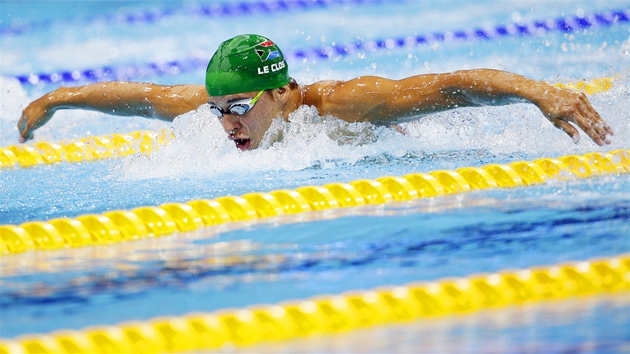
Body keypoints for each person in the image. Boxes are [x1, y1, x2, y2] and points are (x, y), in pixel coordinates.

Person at [18, 34, 613, 151]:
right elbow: (140, 96)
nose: (226, 122)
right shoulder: (218, 109)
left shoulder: (343, 103)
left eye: (240, 107)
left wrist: (535, 90)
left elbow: (448, 87)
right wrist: (55, 100)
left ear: (284, 93)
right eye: (220, 107)